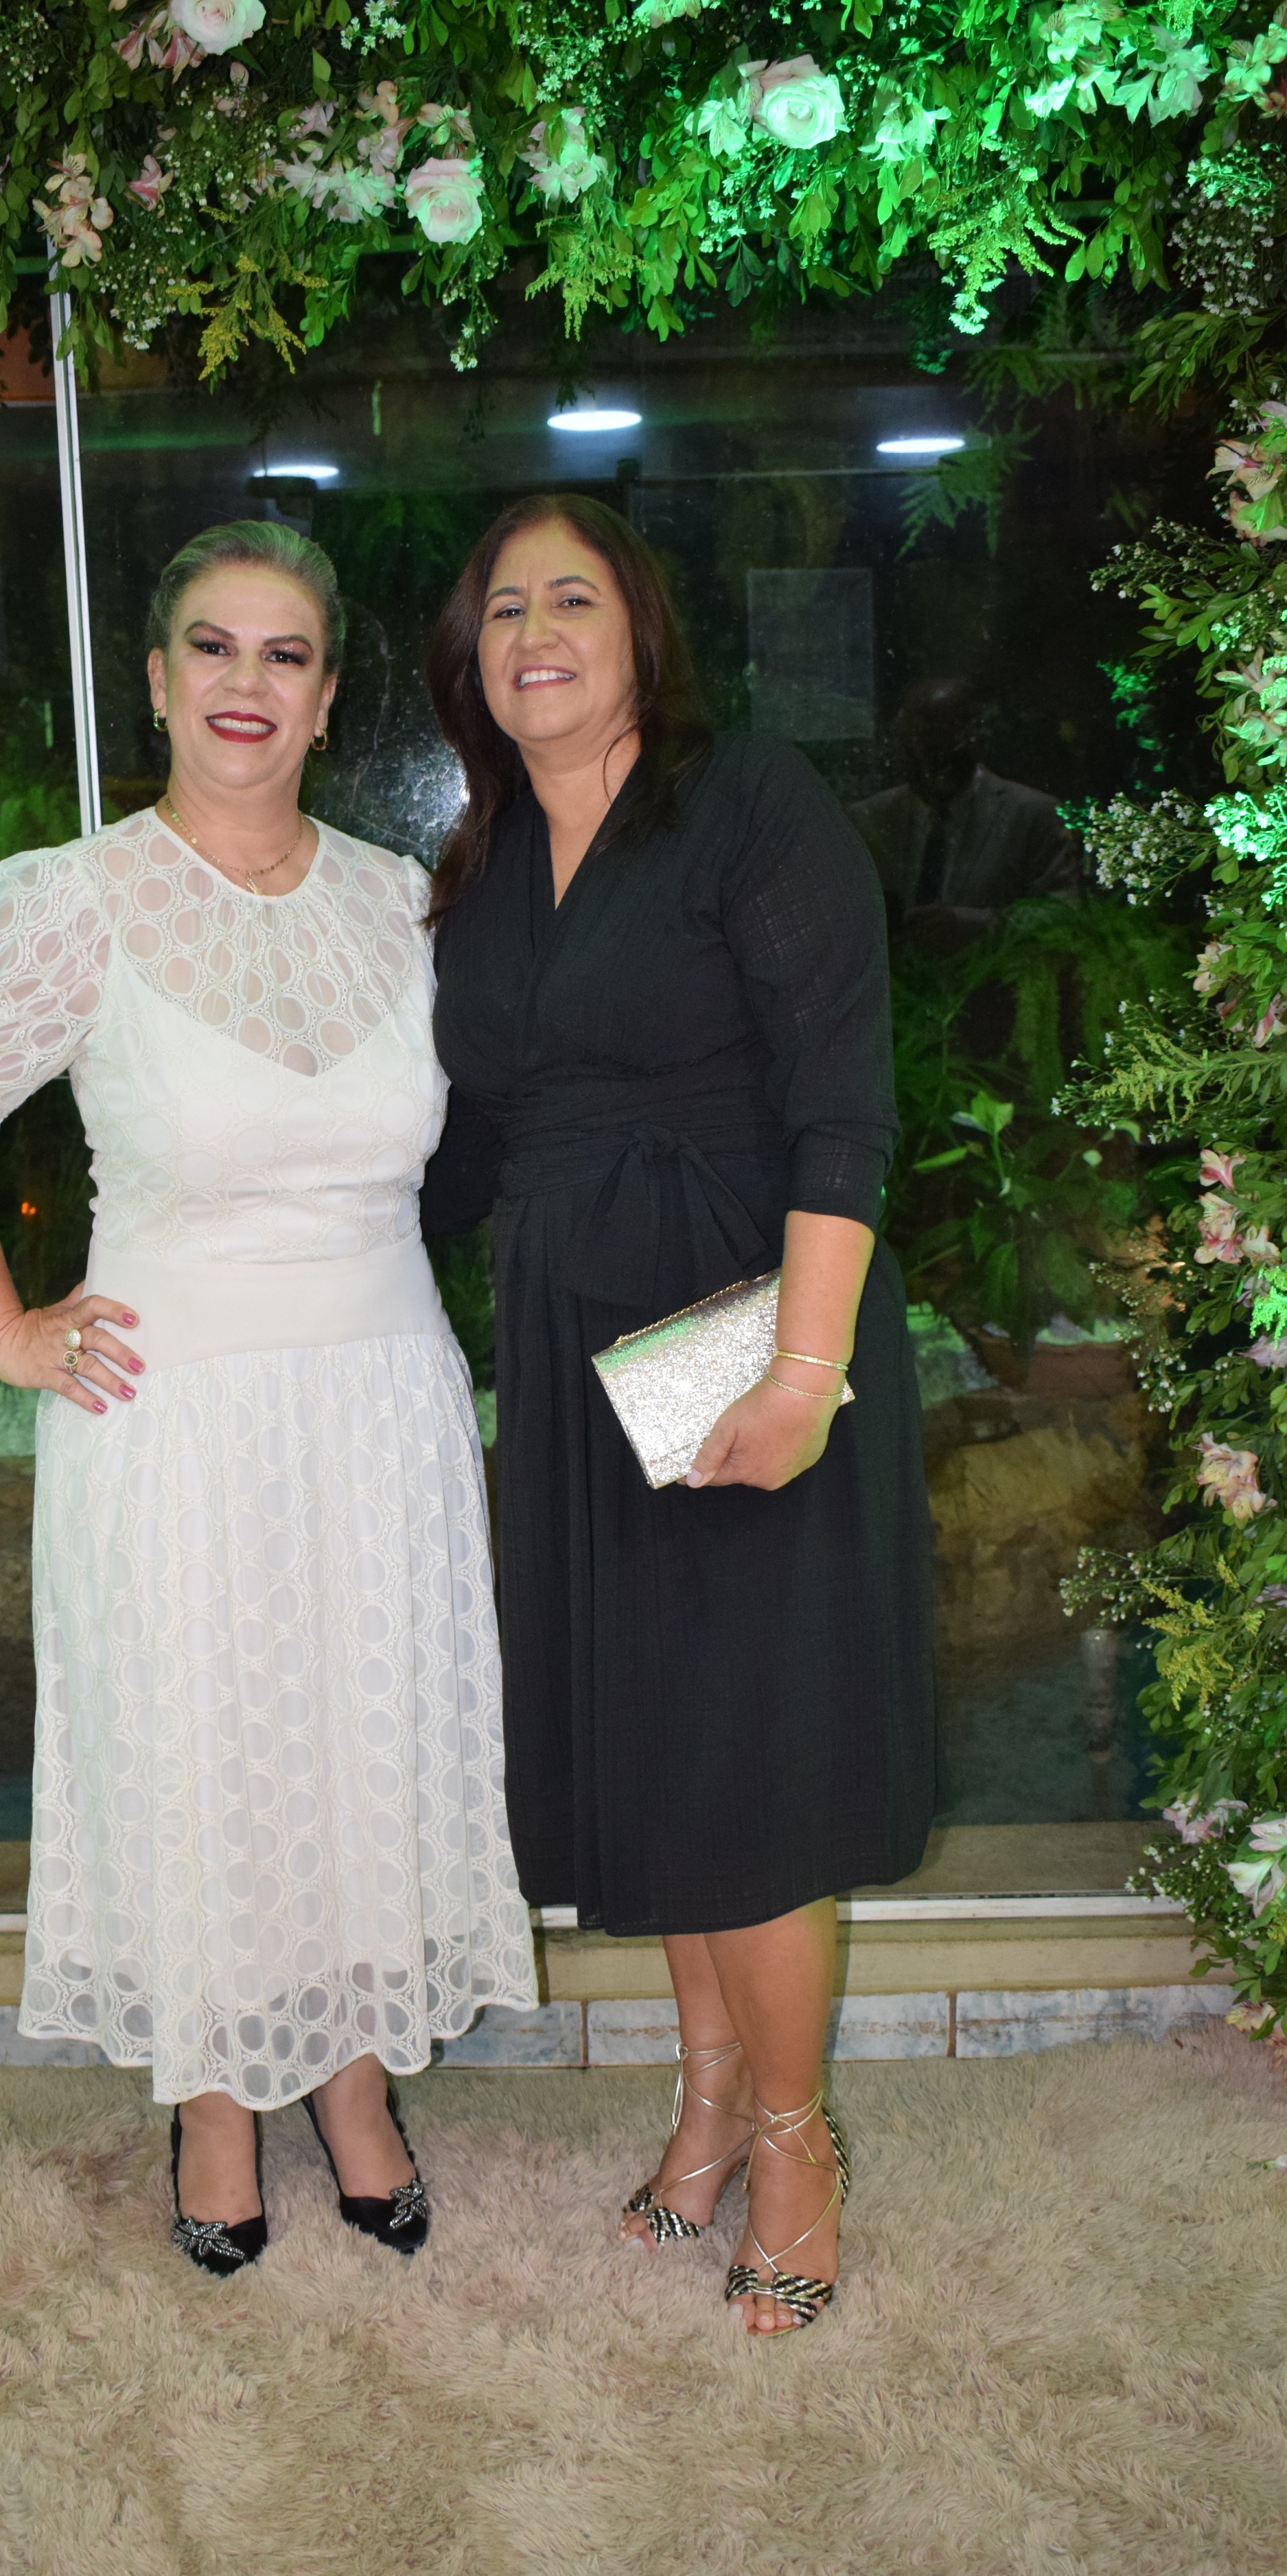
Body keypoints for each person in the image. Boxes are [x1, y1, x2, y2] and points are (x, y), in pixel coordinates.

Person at [0, 522, 537, 2276]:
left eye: (286, 653)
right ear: (158, 681)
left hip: (380, 1409)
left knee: (360, 1742)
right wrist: (3, 1330)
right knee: (203, 1752)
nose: (249, 682)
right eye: (215, 648)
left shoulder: (402, 902)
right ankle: (216, 2098)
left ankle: (351, 2075)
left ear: (327, 698)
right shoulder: (76, 899)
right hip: (170, 1423)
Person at [422, 495, 936, 2335]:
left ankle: (794, 2143)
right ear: (470, 661)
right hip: (574, 1348)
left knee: (745, 1765)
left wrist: (801, 1369)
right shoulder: (483, 865)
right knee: (661, 1749)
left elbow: (840, 1104)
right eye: (501, 609)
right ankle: (710, 2097)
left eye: (569, 598)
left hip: (737, 1321)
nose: (533, 632)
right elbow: (458, 1147)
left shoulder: (745, 804)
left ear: (640, 628)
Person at [850, 675, 1081, 951]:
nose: (930, 762)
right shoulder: (869, 819)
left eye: (942, 741)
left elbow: (1063, 917)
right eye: (914, 743)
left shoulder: (1033, 815)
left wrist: (975, 928)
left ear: (978, 738)